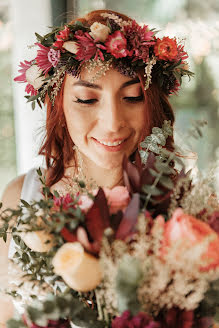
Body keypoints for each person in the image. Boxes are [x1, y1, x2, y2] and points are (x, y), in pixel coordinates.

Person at [0, 9, 192, 326]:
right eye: (88, 100)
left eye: (132, 96)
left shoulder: (188, 209)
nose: (113, 123)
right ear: (58, 103)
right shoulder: (19, 197)